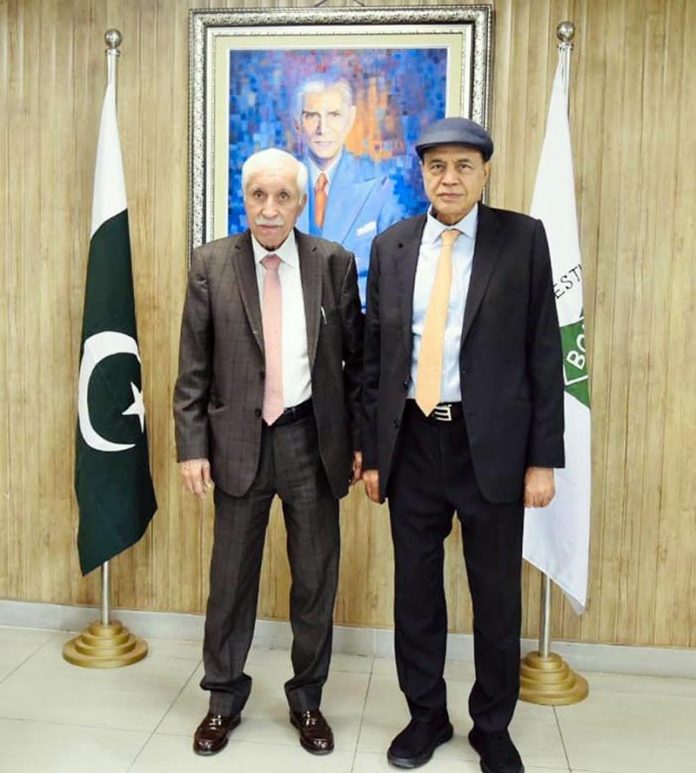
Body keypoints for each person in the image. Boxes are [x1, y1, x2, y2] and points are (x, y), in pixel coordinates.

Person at [361, 117, 564, 773]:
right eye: (437, 166)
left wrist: (542, 459)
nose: (449, 179)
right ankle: (426, 716)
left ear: (484, 172)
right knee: (416, 595)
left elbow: (544, 352)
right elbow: (374, 359)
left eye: (463, 166)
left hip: (493, 449)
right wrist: (372, 453)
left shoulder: (522, 239)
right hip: (413, 443)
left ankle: (492, 726)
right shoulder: (391, 246)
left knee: (496, 597)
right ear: (422, 173)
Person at [173, 148, 363, 758]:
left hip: (312, 442)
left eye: (283, 196)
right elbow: (193, 367)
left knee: (314, 580)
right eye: (259, 195)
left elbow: (357, 366)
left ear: (301, 203)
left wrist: (359, 442)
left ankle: (307, 699)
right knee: (230, 581)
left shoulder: (333, 263)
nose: (270, 209)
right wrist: (191, 448)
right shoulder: (211, 264)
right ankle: (222, 699)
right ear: (245, 198)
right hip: (237, 443)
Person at [293, 75, 405, 303]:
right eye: (311, 116)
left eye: (334, 115)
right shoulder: (277, 185)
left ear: (350, 118)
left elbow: (394, 281)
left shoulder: (381, 186)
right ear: (298, 122)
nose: (322, 128)